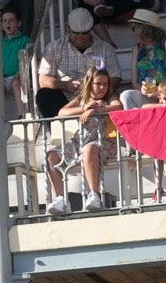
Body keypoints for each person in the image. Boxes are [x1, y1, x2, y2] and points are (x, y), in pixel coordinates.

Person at [43, 61, 122, 217]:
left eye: (105, 84)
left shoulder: (110, 97)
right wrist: (83, 109)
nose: (102, 87)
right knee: (51, 156)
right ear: (89, 84)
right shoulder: (83, 99)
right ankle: (60, 199)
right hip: (80, 142)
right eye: (98, 84)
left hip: (103, 142)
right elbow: (61, 112)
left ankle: (94, 194)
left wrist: (96, 110)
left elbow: (118, 107)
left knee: (89, 149)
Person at [36, 8, 110, 118]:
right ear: (68, 28)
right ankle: (57, 130)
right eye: (76, 32)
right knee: (44, 95)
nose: (80, 37)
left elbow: (115, 78)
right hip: (64, 98)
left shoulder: (105, 48)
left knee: (112, 95)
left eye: (84, 33)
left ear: (90, 30)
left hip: (95, 98)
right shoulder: (54, 47)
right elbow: (43, 80)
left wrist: (92, 86)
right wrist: (65, 85)